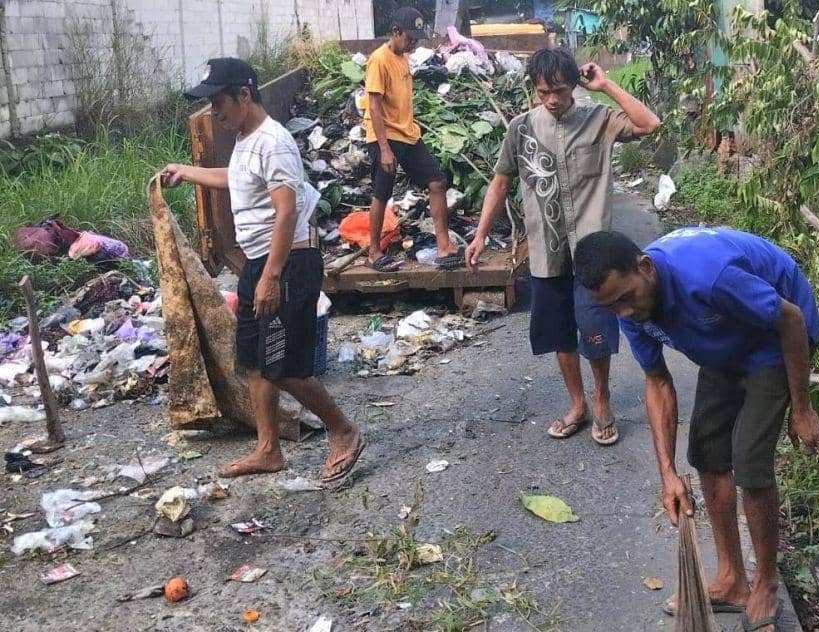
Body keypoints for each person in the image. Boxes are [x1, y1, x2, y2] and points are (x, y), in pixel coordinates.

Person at [574, 228, 819, 632]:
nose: (622, 313)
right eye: (610, 307)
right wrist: (668, 474)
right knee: (708, 452)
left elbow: (790, 320)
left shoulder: (709, 275)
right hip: (724, 343)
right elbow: (657, 381)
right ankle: (732, 579)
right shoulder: (628, 308)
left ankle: (765, 580)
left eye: (625, 298)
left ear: (645, 268)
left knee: (749, 460)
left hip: (774, 340)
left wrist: (802, 409)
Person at [162, 58, 364, 482]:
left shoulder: (273, 142)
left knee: (285, 366)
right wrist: (187, 172)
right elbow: (238, 178)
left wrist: (272, 275)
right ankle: (268, 450)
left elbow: (286, 212)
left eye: (218, 102)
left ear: (245, 96)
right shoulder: (245, 139)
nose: (213, 112)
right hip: (262, 262)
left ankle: (343, 431)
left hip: (288, 264)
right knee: (256, 361)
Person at [466, 48, 660, 445]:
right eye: (543, 92)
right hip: (545, 250)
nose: (552, 99)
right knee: (559, 332)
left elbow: (649, 123)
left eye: (558, 90)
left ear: (573, 83)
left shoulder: (598, 119)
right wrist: (481, 233)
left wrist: (605, 86)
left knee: (594, 327)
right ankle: (577, 404)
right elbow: (501, 181)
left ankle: (602, 398)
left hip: (592, 252)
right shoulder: (521, 128)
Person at [364, 6, 462, 272]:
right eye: (410, 37)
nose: (414, 42)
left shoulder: (403, 57)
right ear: (396, 32)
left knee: (437, 182)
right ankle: (374, 253)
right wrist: (384, 148)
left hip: (409, 134)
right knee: (382, 192)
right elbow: (373, 105)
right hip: (386, 136)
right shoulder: (379, 59)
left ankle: (444, 246)